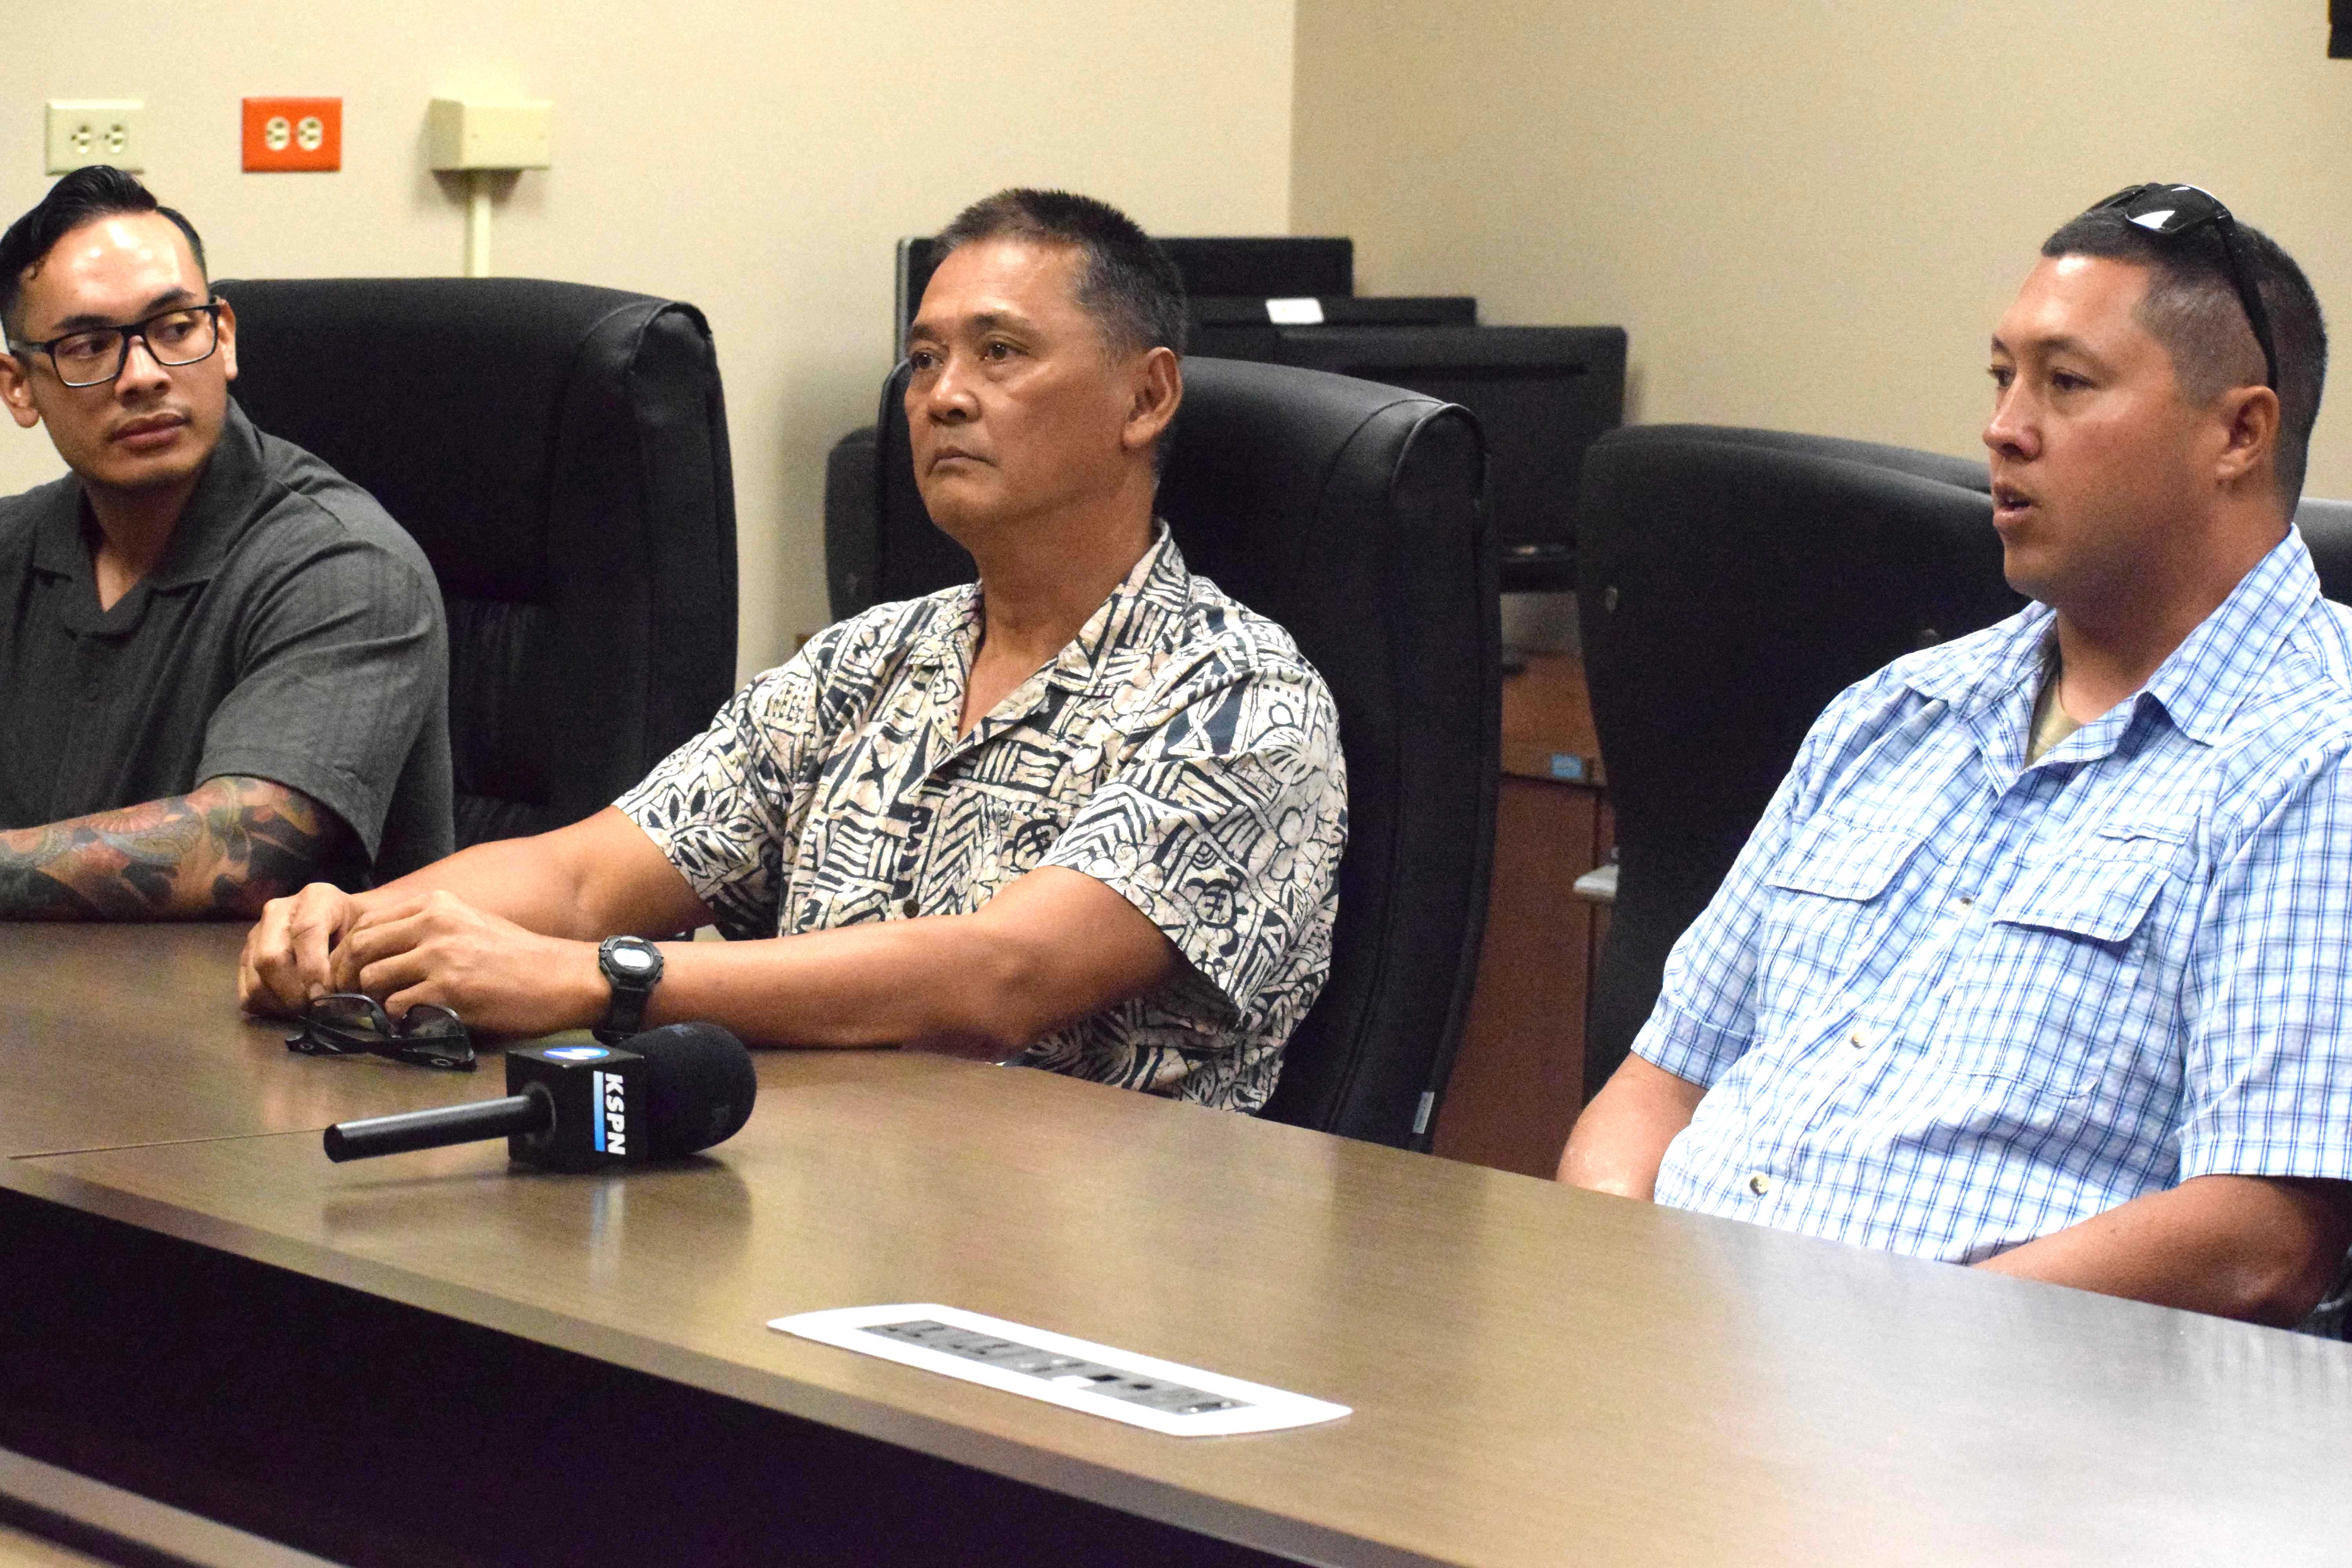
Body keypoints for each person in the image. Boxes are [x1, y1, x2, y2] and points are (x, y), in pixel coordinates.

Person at [240, 188, 1346, 1113]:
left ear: (1147, 395)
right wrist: (357, 926)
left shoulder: (1242, 698)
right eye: (924, 360)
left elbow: (999, 977)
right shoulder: (868, 660)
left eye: (1000, 353)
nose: (943, 397)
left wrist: (596, 981)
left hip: (1101, 1280)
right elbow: (585, 878)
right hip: (827, 1207)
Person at [1560, 183, 2352, 1330]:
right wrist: (1607, 1286)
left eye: (2066, 383)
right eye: (2001, 377)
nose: (2004, 428)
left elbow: (2260, 1240)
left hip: (1993, 1431)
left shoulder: (2316, 749)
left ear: (2239, 434)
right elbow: (1659, 1081)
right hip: (1683, 1365)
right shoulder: (1898, 713)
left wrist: (1881, 1351)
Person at [0, 165, 450, 919]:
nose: (142, 376)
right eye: (87, 345)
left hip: (275, 1027)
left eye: (175, 329)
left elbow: (242, 850)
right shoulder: (15, 546)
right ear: (19, 387)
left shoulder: (347, 566)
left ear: (225, 337)